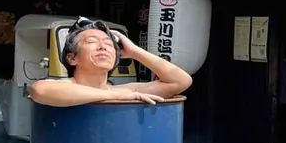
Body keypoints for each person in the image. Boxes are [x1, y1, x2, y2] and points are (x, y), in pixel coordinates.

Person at [28, 17, 192, 107]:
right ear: (72, 58)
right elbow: (39, 90)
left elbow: (181, 81)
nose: (103, 47)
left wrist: (135, 52)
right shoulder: (63, 86)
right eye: (92, 41)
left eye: (108, 44)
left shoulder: (127, 90)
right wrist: (116, 96)